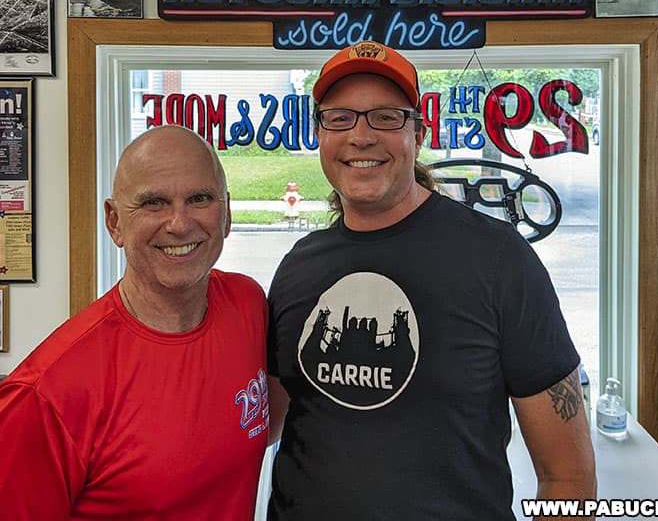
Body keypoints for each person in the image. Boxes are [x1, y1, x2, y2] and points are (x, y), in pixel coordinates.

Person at [266, 41, 596, 520]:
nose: (361, 136)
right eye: (340, 117)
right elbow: (268, 423)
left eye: (385, 117)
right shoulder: (299, 266)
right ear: (320, 133)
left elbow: (569, 476)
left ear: (418, 133)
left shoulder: (499, 260)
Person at [0, 125, 269, 520]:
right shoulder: (44, 394)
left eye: (199, 198)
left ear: (226, 213)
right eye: (153, 203)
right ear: (114, 222)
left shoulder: (248, 305)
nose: (179, 223)